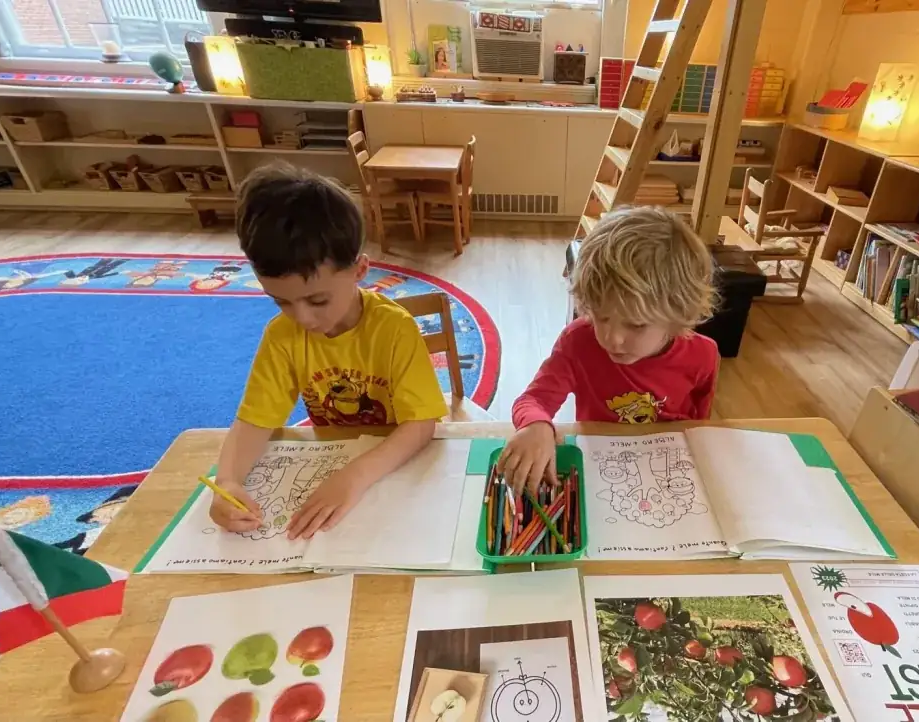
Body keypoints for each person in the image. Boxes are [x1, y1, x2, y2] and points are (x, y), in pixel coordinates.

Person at [210, 164, 447, 539]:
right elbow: (255, 420)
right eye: (281, 301)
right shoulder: (281, 337)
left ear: (359, 270)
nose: (302, 318)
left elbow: (421, 426)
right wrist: (228, 482)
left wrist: (355, 477)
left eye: (318, 300)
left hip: (389, 472)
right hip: (331, 465)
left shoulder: (394, 328)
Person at [500, 205, 719, 491]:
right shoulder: (578, 341)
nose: (612, 338)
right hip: (601, 469)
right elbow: (533, 400)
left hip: (666, 469)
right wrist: (536, 425)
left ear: (678, 314)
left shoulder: (702, 355)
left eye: (636, 325)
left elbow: (699, 424)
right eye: (601, 316)